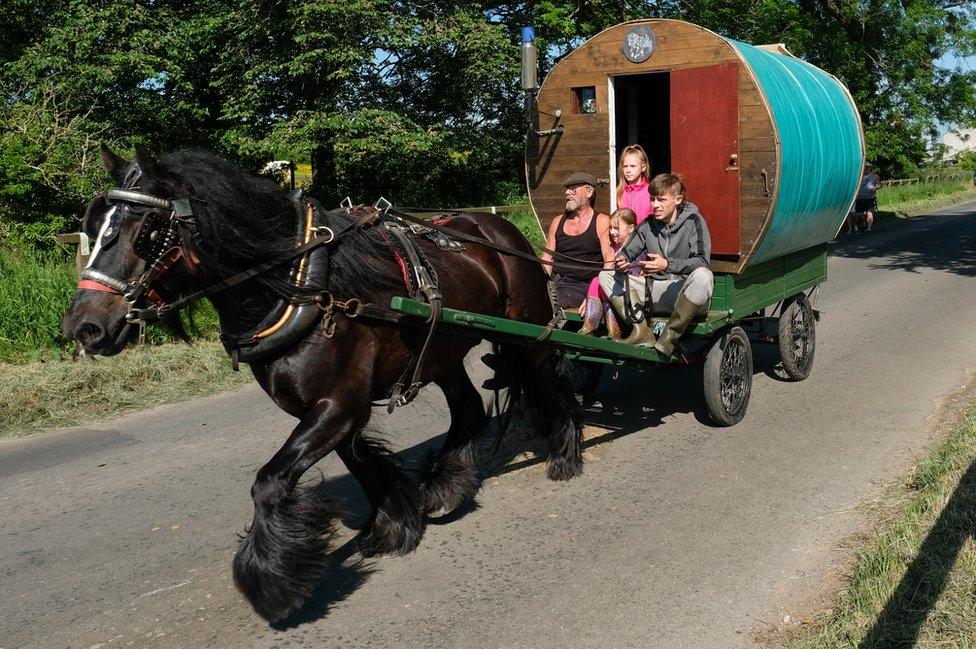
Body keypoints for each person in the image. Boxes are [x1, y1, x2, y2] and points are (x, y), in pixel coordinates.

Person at [598, 173, 713, 354]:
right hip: (655, 293)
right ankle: (641, 331)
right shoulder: (648, 224)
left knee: (704, 276)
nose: (655, 205)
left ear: (678, 199)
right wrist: (623, 260)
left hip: (685, 293)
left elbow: (702, 261)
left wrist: (667, 264)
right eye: (652, 199)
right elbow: (629, 250)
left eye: (661, 200)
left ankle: (670, 336)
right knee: (605, 276)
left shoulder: (694, 221)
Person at [541, 172, 615, 309]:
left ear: (589, 192)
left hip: (583, 285)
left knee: (549, 303)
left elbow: (609, 263)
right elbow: (547, 259)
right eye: (567, 189)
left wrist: (596, 294)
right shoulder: (557, 222)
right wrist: (537, 282)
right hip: (556, 282)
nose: (567, 193)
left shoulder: (601, 221)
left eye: (573, 189)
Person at [579, 207, 639, 337]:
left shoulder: (636, 247)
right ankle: (594, 322)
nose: (612, 232)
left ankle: (597, 324)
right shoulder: (616, 247)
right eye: (611, 228)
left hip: (632, 290)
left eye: (616, 228)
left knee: (600, 280)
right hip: (618, 289)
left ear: (631, 228)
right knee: (599, 280)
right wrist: (589, 298)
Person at [615, 145, 652, 224]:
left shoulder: (651, 191)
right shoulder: (618, 192)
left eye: (632, 166)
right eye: (625, 166)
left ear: (643, 167)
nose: (628, 170)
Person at [854, 162, 881, 234]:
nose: (867, 168)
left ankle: (869, 229)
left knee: (869, 213)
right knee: (859, 214)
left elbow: (879, 185)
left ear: (870, 168)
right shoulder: (858, 176)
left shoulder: (874, 175)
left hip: (870, 197)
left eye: (868, 167)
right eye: (865, 167)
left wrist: (875, 188)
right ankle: (863, 225)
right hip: (860, 198)